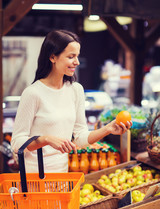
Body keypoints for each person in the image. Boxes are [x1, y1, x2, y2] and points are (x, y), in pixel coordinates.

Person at [11, 29, 132, 173]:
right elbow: (17, 143)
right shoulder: (33, 93)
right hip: (34, 178)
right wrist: (46, 139)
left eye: (77, 56)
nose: (77, 62)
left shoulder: (76, 90)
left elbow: (80, 138)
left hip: (63, 175)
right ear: (52, 57)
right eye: (71, 56)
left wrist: (108, 129)